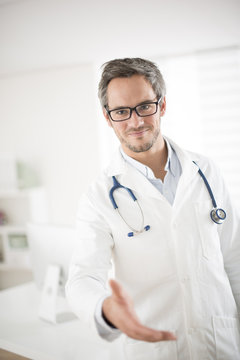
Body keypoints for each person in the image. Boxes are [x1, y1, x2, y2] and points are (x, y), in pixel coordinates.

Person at [66, 58, 240, 359]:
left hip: (221, 343)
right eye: (121, 112)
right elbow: (83, 278)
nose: (135, 122)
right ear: (108, 117)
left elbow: (233, 259)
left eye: (145, 106)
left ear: (161, 106)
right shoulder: (98, 196)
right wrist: (106, 308)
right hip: (157, 349)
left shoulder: (205, 171)